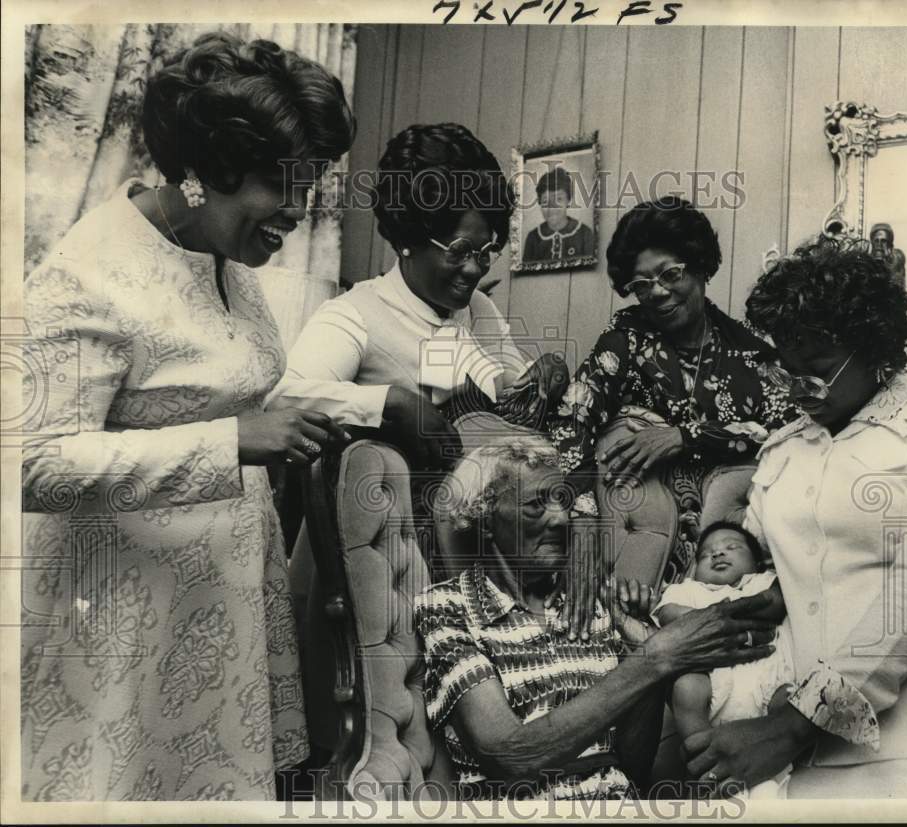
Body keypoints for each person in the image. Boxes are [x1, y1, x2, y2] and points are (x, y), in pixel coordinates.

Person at [19, 32, 355, 800]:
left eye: (310, 186)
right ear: (204, 174)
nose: (300, 212)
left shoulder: (221, 255)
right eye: (282, 185)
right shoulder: (89, 272)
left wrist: (311, 416)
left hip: (219, 613)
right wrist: (233, 441)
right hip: (115, 625)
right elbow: (31, 463)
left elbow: (220, 388)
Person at [683, 237, 907, 798]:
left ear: (872, 349)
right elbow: (778, 575)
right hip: (800, 758)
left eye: (815, 372)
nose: (799, 393)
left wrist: (791, 726)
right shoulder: (783, 452)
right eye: (785, 372)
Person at [414, 437, 780, 800]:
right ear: (486, 519)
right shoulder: (447, 607)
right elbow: (509, 756)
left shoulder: (591, 599)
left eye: (562, 500)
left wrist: (646, 654)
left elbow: (631, 767)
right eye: (535, 505)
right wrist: (655, 658)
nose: (559, 519)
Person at [267, 122, 568, 470]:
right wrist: (391, 402)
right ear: (406, 240)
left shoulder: (480, 308)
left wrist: (540, 377)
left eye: (486, 251)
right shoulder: (354, 315)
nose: (474, 269)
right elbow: (281, 398)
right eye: (458, 250)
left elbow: (510, 390)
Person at [547, 196, 797, 586]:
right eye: (642, 284)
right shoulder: (624, 341)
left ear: (700, 267)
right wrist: (582, 519)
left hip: (725, 558)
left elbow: (786, 431)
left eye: (671, 274)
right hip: (631, 552)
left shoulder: (750, 354)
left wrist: (685, 436)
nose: (658, 292)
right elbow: (570, 422)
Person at [652, 522, 795, 798]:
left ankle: (774, 768)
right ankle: (705, 761)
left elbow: (778, 602)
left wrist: (711, 617)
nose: (717, 554)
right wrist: (723, 617)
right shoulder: (689, 590)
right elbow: (668, 614)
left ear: (756, 562)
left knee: (791, 700)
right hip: (712, 685)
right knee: (686, 688)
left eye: (732, 547)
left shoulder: (763, 581)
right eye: (707, 554)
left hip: (769, 682)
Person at [522, 166, 594, 263]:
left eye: (559, 199)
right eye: (545, 201)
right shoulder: (533, 238)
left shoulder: (584, 234)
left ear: (568, 200)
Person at [869, 222, 906, 288]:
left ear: (890, 244)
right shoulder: (866, 262)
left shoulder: (897, 259)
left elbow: (897, 286)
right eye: (876, 241)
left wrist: (887, 262)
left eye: (883, 241)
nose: (879, 244)